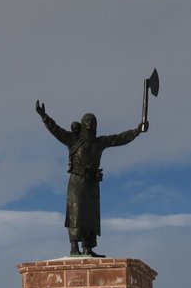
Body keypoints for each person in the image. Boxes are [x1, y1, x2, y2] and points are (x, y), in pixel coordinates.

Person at [36, 100, 147, 256]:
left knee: (91, 215)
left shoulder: (99, 142)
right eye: (87, 120)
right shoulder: (73, 140)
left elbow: (120, 138)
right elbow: (56, 130)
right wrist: (44, 116)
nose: (90, 123)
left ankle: (88, 247)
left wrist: (137, 131)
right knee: (76, 213)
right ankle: (74, 247)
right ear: (82, 123)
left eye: (93, 120)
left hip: (92, 183)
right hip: (76, 181)